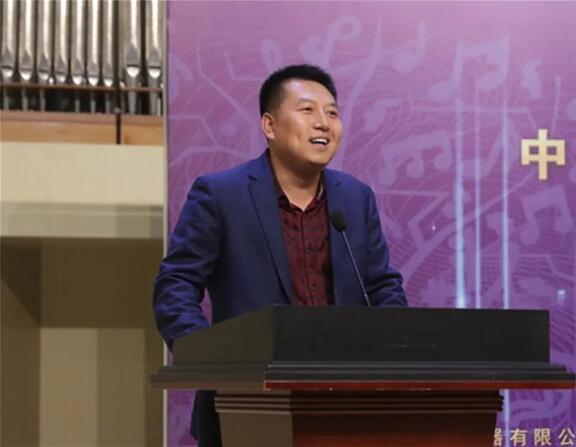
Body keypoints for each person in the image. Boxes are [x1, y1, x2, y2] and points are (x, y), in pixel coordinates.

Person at [153, 64, 407, 446]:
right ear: (269, 126)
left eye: (332, 113)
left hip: (346, 407)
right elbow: (176, 284)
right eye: (307, 110)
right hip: (245, 406)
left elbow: (382, 286)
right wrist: (210, 356)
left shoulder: (356, 199)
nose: (323, 123)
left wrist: (394, 346)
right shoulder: (221, 195)